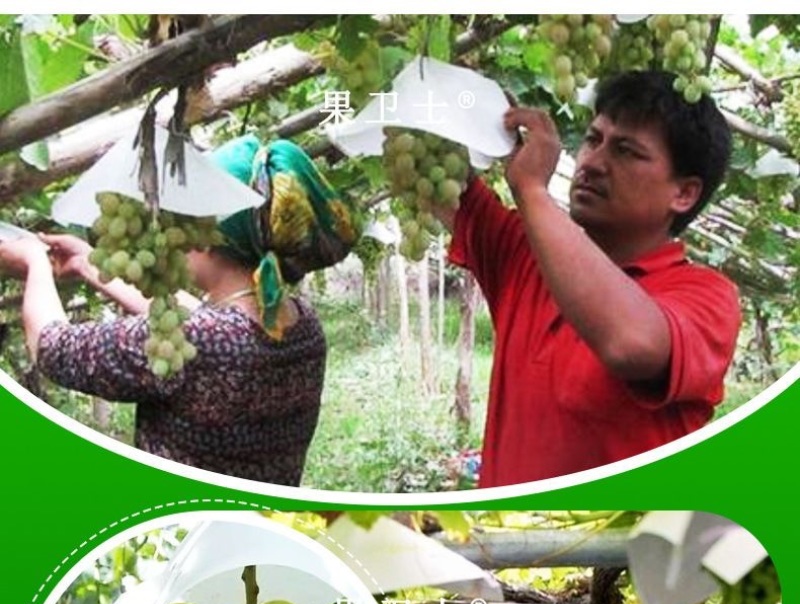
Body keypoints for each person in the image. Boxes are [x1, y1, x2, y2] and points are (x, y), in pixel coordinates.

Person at [0, 136, 358, 485]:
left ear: (211, 236)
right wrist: (86, 263)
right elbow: (198, 320)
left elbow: (53, 348)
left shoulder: (199, 342)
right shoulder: (302, 324)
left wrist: (34, 261)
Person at [444, 70, 741, 489]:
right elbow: (432, 172)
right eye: (592, 139)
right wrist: (461, 97)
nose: (593, 163)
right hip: (499, 543)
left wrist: (532, 189)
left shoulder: (707, 296)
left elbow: (631, 344)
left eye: (625, 151)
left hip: (612, 548)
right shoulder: (525, 253)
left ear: (684, 194)